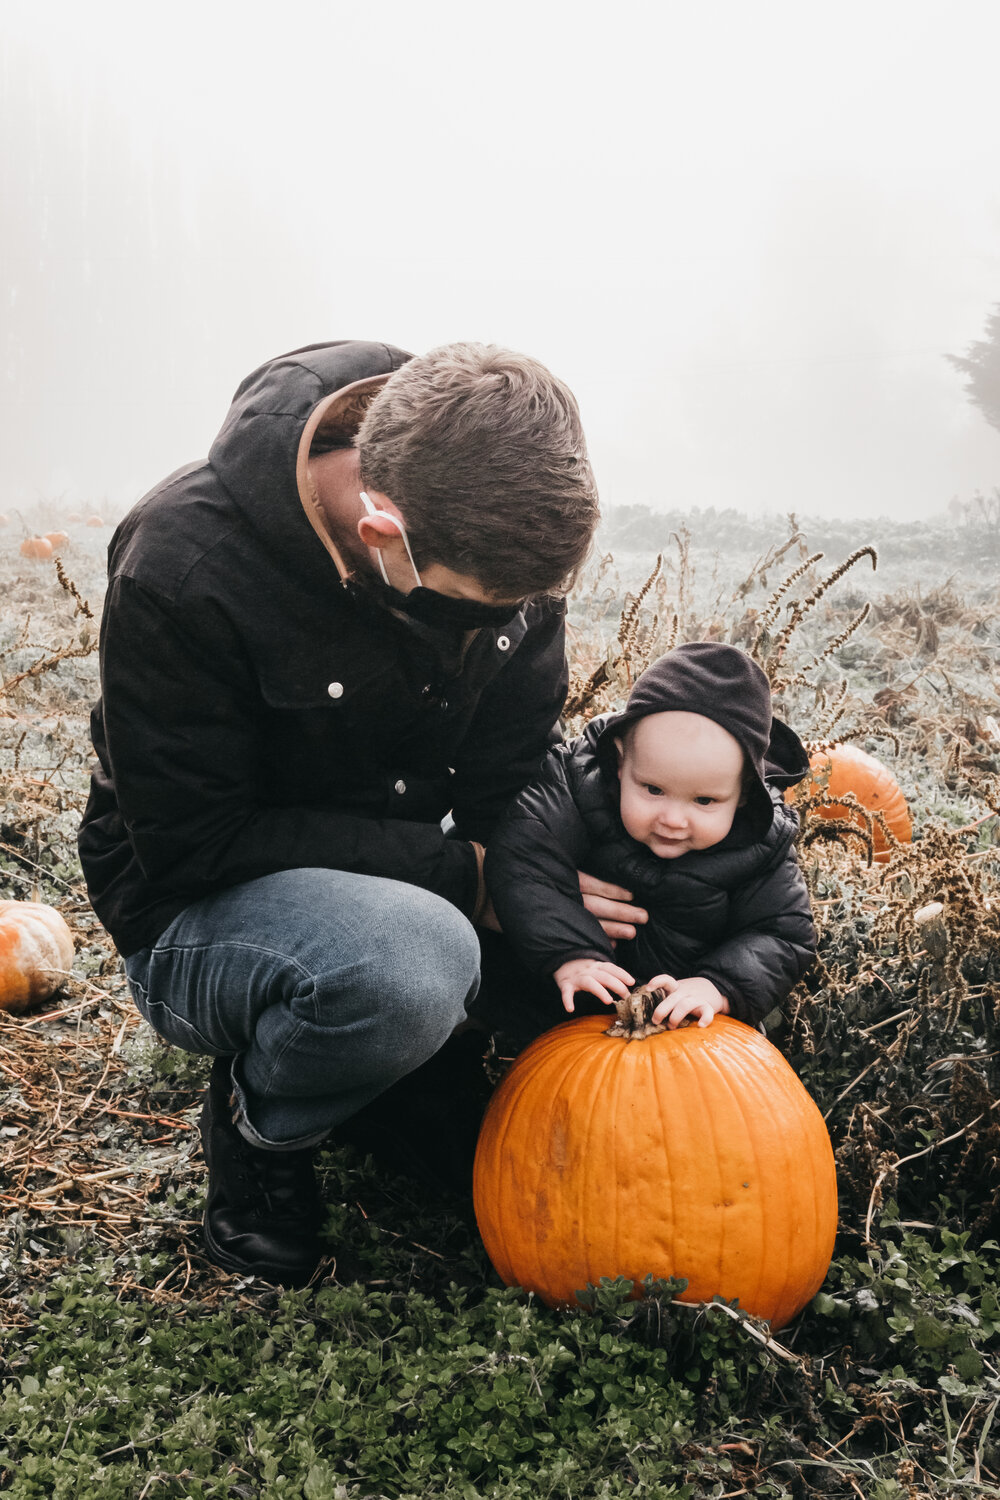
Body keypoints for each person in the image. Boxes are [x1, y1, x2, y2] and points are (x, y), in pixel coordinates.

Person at [77, 339, 640, 1289]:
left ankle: (403, 1081)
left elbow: (507, 777)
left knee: (619, 881)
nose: (493, 628)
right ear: (384, 531)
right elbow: (191, 844)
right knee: (414, 962)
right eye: (470, 612)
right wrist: (466, 879)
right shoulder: (181, 569)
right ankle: (263, 1127)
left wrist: (562, 887)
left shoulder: (490, 511)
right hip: (197, 912)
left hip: (407, 866)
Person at [485, 642, 817, 1033]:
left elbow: (781, 933)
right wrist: (570, 953)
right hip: (554, 994)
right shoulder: (577, 786)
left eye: (705, 800)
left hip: (677, 1018)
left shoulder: (761, 842)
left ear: (744, 793)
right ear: (621, 761)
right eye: (653, 790)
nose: (672, 819)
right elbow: (524, 859)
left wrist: (717, 986)